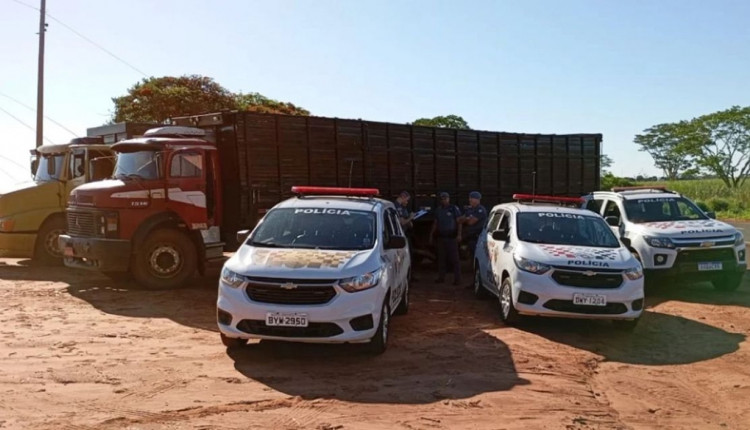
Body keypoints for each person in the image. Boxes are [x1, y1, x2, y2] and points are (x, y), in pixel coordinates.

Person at [430, 192, 462, 285]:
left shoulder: (453, 209)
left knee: (454, 259)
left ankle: (457, 279)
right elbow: (435, 223)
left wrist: (459, 235)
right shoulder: (438, 210)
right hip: (441, 237)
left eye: (445, 198)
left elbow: (459, 222)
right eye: (442, 199)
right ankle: (441, 277)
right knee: (441, 259)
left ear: (448, 199)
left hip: (451, 237)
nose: (444, 200)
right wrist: (431, 235)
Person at [395, 191, 419, 281]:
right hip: (400, 236)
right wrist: (410, 218)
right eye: (407, 200)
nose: (407, 202)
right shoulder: (397, 207)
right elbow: (402, 222)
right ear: (403, 197)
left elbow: (407, 223)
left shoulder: (402, 208)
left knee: (408, 256)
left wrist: (410, 220)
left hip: (405, 234)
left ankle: (409, 276)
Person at [459, 191, 488, 260]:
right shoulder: (469, 209)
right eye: (470, 198)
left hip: (478, 238)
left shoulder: (481, 209)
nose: (470, 200)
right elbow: (459, 220)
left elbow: (471, 222)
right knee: (471, 256)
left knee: (478, 257)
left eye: (472, 198)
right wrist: (467, 218)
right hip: (470, 238)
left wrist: (466, 219)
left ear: (477, 200)